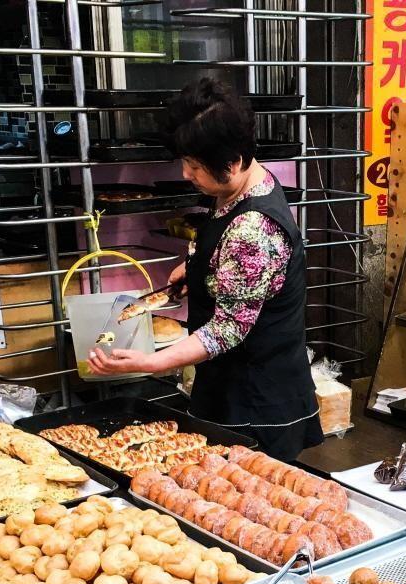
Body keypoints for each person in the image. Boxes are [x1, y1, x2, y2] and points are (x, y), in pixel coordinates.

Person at [87, 79, 322, 461]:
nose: (186, 173)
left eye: (195, 166)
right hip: (229, 384)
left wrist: (153, 362)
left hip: (255, 401)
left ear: (233, 162)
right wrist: (199, 269)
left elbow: (228, 328)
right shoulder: (245, 185)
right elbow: (237, 262)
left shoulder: (254, 229)